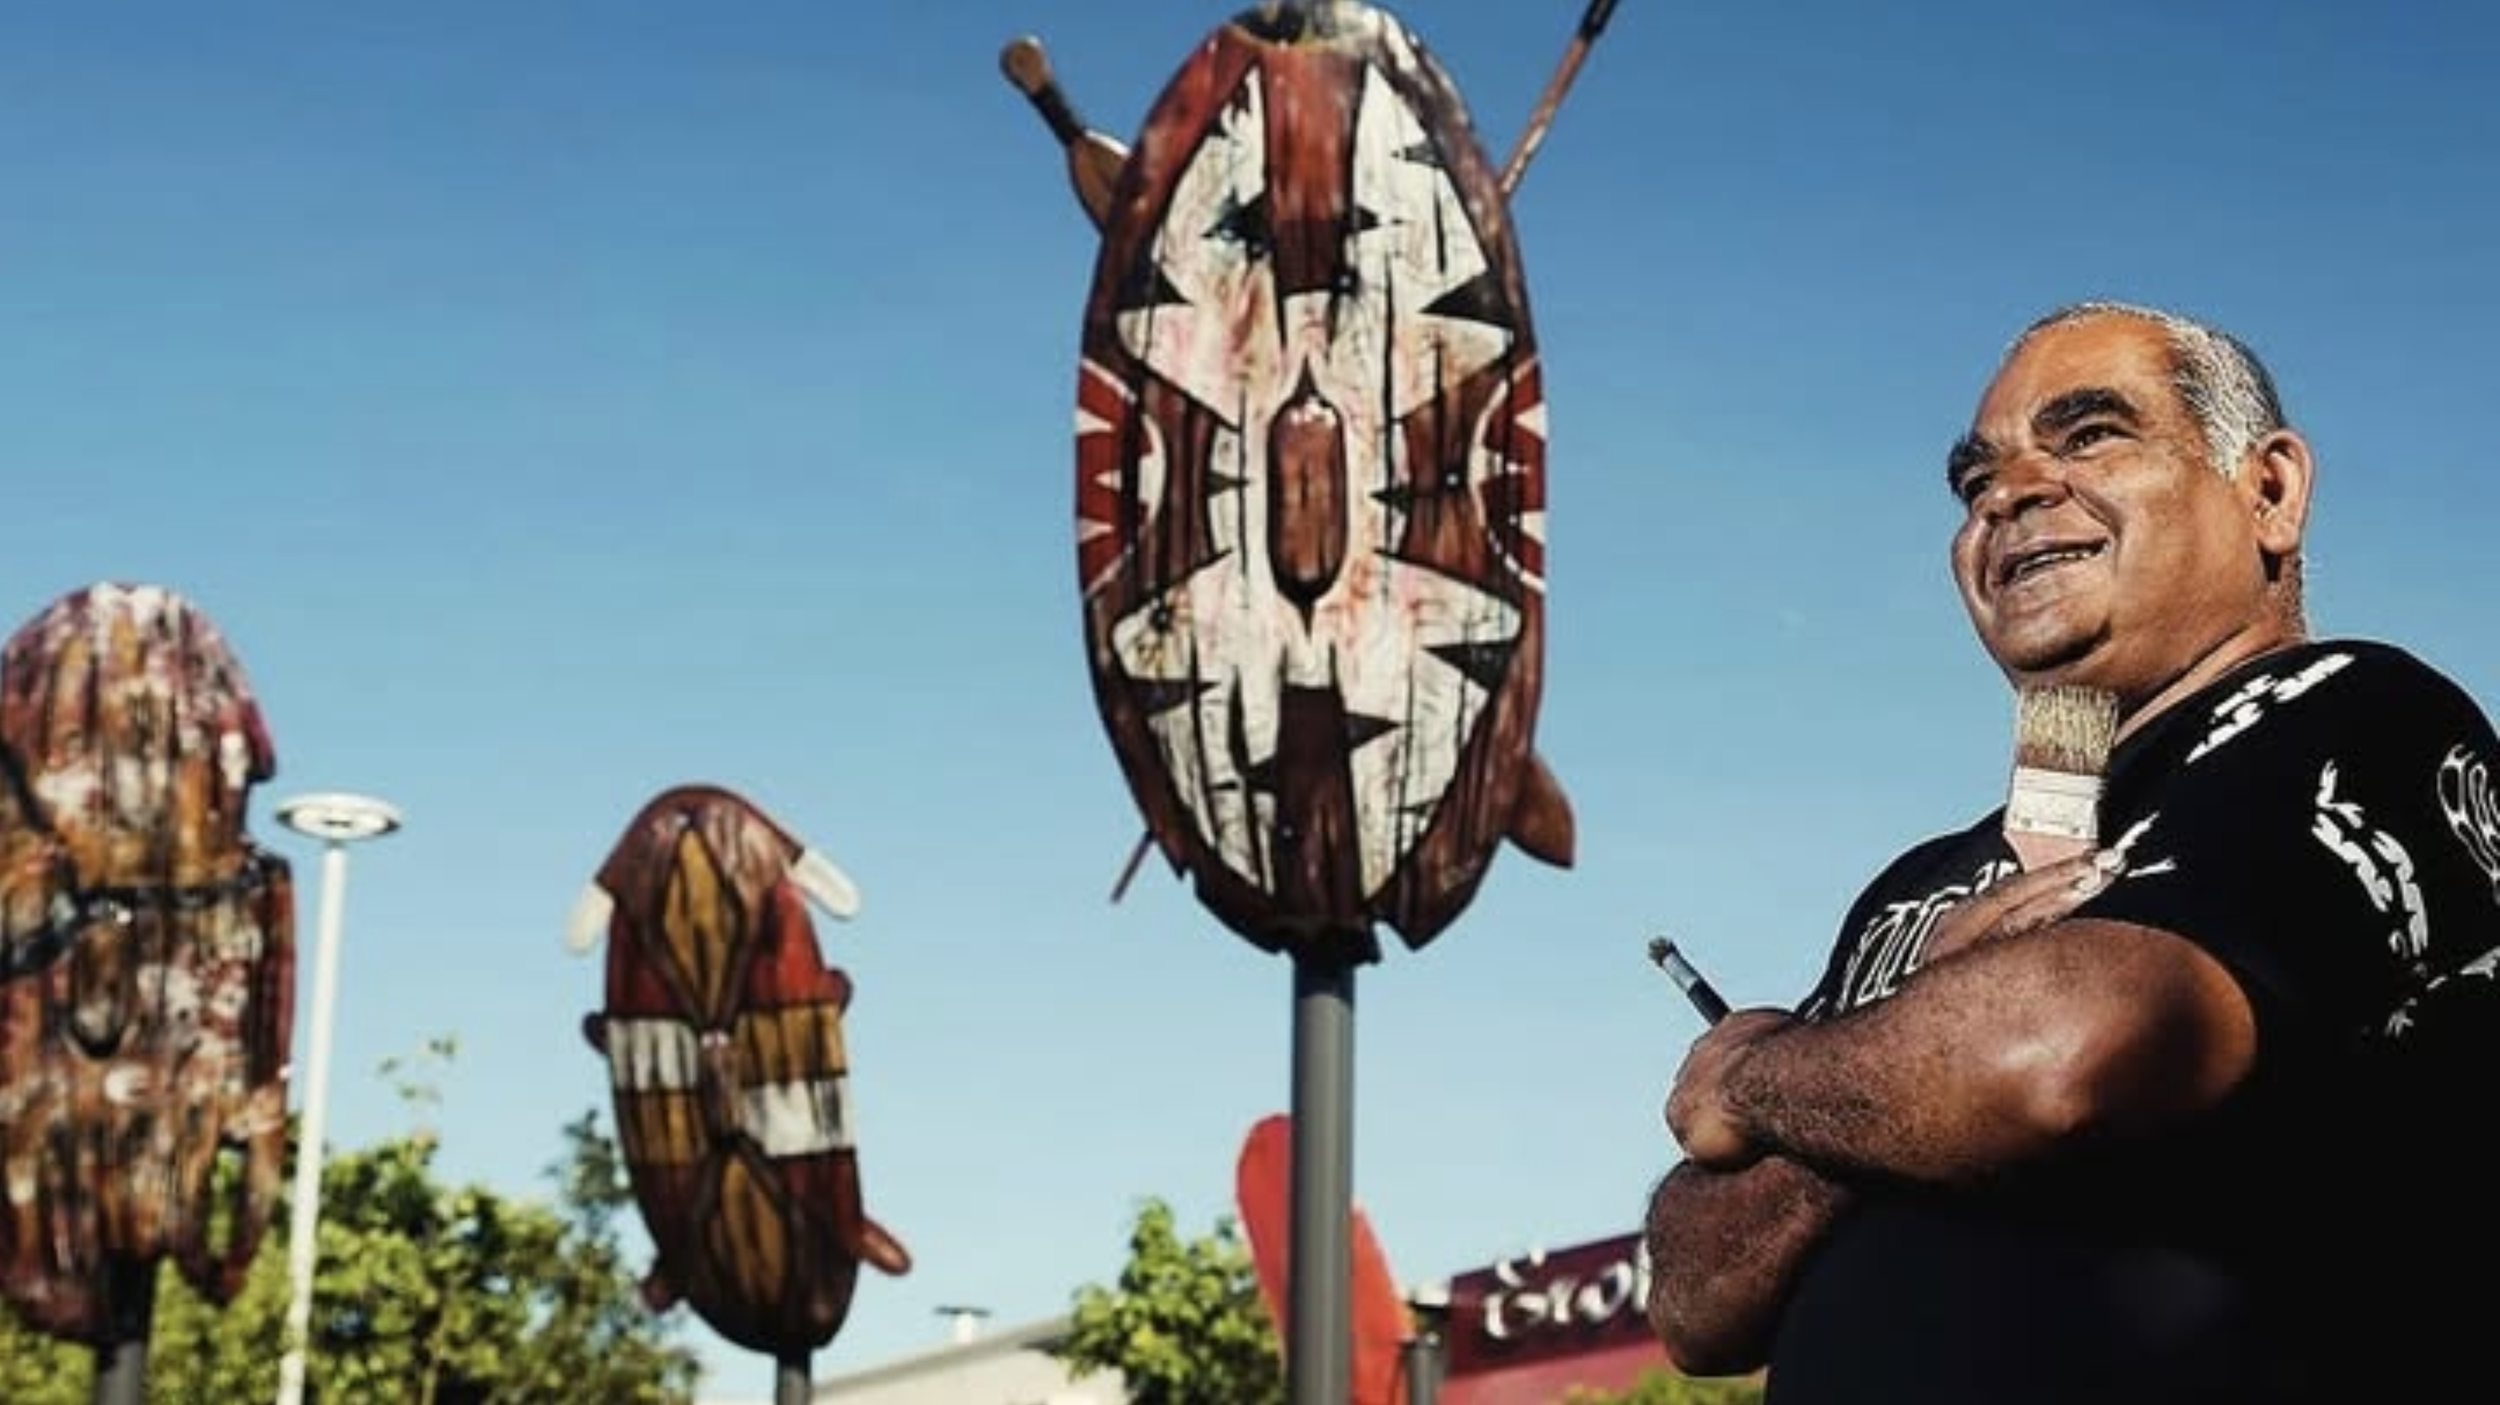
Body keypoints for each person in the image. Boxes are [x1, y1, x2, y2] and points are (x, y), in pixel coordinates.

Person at [1640, 300, 2500, 1404]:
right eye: (1974, 482)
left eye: (2090, 434)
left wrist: (1760, 1076)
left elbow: (2067, 1049)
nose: (2008, 495)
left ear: (2270, 491)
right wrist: (1891, 1064)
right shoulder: (1918, 885)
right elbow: (1697, 1296)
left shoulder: (2355, 714)